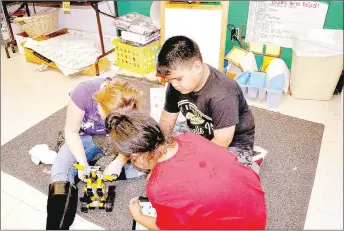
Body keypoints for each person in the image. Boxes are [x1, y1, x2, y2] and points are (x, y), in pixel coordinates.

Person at [105, 112, 267, 230]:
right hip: (255, 209)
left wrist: (138, 216)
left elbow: (166, 228)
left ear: (138, 157)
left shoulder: (158, 188)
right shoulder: (188, 138)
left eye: (129, 159)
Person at [46, 77, 144, 230]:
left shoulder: (129, 104)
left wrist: (119, 161)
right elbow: (71, 132)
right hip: (84, 138)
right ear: (98, 102)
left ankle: (101, 167)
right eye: (106, 117)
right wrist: (82, 163)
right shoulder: (83, 91)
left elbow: (132, 139)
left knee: (144, 164)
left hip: (115, 141)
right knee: (59, 174)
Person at [157, 35, 263, 174]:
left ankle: (250, 161)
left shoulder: (223, 94)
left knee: (215, 178)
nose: (173, 84)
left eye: (178, 79)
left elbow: (222, 142)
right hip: (198, 129)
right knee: (158, 143)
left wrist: (192, 163)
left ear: (197, 67)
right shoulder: (176, 85)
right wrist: (161, 149)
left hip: (232, 139)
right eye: (170, 80)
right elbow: (167, 120)